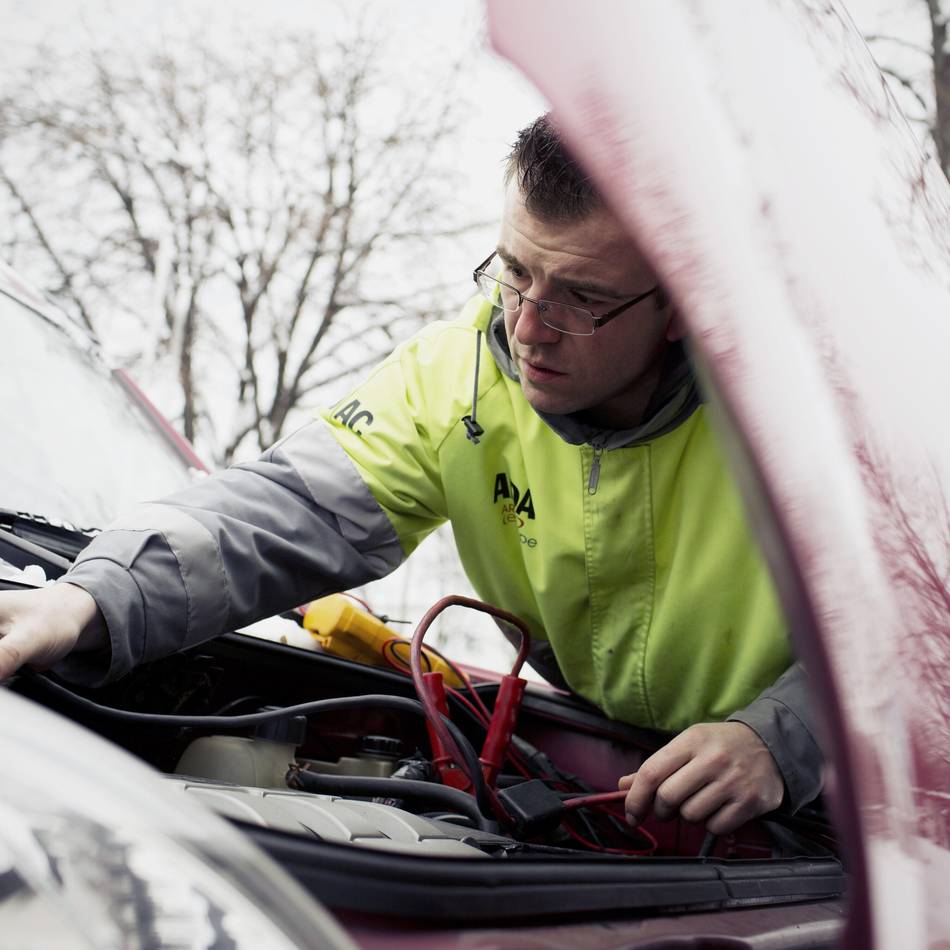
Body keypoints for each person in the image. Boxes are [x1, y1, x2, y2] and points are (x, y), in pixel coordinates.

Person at [0, 115, 822, 834]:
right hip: (614, 774)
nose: (528, 326)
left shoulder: (808, 416)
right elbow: (287, 508)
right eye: (514, 271)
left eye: (581, 298)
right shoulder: (454, 379)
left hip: (837, 806)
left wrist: (782, 738)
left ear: (682, 301)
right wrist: (87, 597)